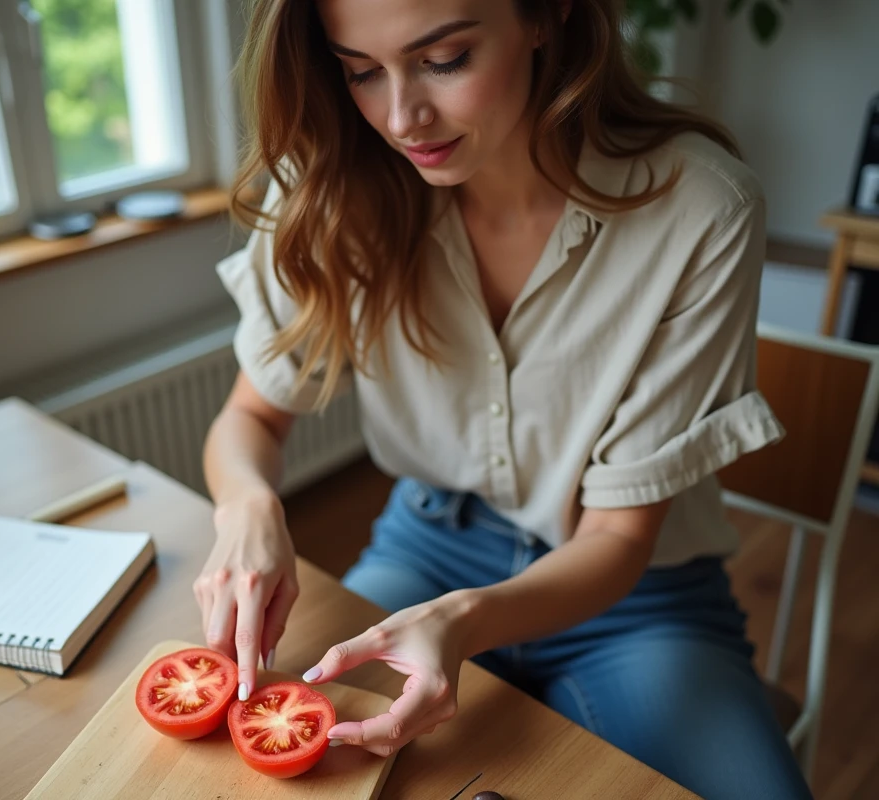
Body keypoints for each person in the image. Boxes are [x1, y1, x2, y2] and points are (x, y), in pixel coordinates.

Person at [193, 1, 814, 798]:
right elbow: (251, 418)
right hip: (429, 549)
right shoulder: (328, 184)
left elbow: (621, 538)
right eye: (359, 72)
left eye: (444, 59)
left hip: (640, 596)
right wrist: (247, 509)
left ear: (546, 14)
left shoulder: (702, 208)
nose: (401, 116)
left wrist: (465, 622)